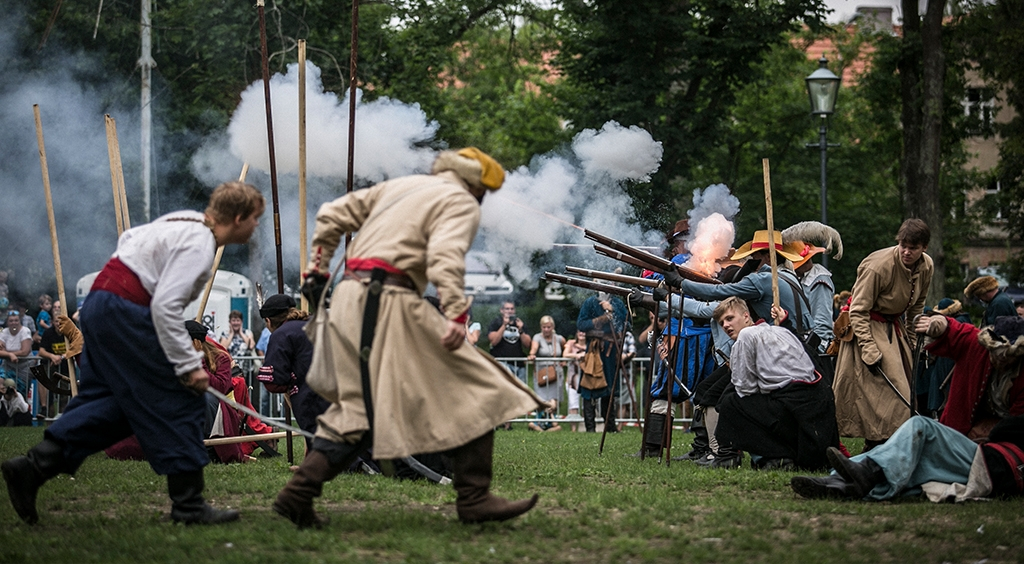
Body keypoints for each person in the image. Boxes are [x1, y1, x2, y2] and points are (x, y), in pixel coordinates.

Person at [273, 148, 546, 528]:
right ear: (476, 185)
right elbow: (445, 255)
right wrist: (455, 312)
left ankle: (297, 493)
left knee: (357, 406)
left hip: (351, 298)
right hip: (389, 301)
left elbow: (330, 215)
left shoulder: (399, 186)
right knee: (478, 386)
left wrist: (316, 272)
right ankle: (474, 498)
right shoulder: (460, 201)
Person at [1, 180, 265, 526]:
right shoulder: (201, 246)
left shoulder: (182, 221)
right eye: (255, 219)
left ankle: (33, 468)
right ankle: (189, 505)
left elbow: (129, 241)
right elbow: (166, 308)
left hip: (99, 304)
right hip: (127, 310)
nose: (256, 226)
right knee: (183, 398)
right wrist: (189, 367)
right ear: (239, 217)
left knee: (109, 403)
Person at [832, 219, 933, 450]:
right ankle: (876, 445)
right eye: (903, 246)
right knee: (883, 395)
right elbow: (858, 309)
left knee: (903, 394)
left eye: (913, 248)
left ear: (924, 248)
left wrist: (914, 343)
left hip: (893, 330)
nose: (907, 252)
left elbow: (916, 308)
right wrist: (868, 347)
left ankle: (888, 446)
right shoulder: (878, 265)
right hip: (867, 327)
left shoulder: (927, 266)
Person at [711, 298, 840, 470]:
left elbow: (744, 388)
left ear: (746, 316)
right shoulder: (781, 332)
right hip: (816, 409)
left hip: (794, 407)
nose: (726, 326)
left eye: (729, 318)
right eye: (722, 323)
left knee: (731, 403)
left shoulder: (746, 335)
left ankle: (766, 456)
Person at [791, 415, 1024, 502]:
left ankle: (857, 474)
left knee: (921, 426)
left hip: (996, 464)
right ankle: (839, 484)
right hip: (997, 468)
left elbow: (1002, 430)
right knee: (909, 468)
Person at [663, 230, 813, 338]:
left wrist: (680, 283)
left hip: (782, 344)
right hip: (799, 341)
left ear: (768, 257)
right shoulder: (789, 276)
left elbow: (719, 291)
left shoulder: (762, 280)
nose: (751, 263)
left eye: (755, 258)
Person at [915, 312, 1024, 439]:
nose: (1001, 358)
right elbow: (955, 333)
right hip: (954, 434)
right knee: (916, 425)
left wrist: (990, 429)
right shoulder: (977, 345)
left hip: (999, 446)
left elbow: (1017, 426)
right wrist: (941, 324)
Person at [256, 294, 330, 443]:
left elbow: (274, 380)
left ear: (268, 321)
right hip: (341, 387)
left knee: (319, 438)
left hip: (310, 394)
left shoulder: (281, 334)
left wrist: (289, 383)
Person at [576, 292, 629, 433]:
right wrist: (602, 319)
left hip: (611, 352)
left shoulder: (617, 303)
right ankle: (590, 429)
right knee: (589, 386)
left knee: (610, 389)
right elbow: (581, 324)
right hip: (594, 349)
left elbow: (627, 325)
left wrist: (612, 311)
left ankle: (610, 427)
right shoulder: (590, 302)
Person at [487, 301, 532, 384]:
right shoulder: (496, 322)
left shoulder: (519, 323)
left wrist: (521, 330)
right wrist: (504, 325)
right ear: (502, 310)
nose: (509, 311)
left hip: (518, 363)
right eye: (507, 309)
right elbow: (494, 342)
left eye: (512, 309)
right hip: (502, 362)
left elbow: (528, 344)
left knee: (521, 391)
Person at [527, 315, 566, 410]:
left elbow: (566, 348)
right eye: (544, 327)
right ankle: (548, 422)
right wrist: (532, 354)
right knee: (543, 401)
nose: (546, 329)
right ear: (541, 327)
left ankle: (550, 423)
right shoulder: (537, 337)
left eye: (548, 327)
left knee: (554, 400)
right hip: (542, 373)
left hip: (556, 372)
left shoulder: (559, 338)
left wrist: (564, 360)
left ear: (553, 327)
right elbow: (534, 349)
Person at [0, 310, 33, 394]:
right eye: (11, 321)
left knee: (20, 393)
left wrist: (6, 353)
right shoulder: (3, 332)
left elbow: (25, 351)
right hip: (8, 366)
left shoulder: (25, 331)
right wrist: (10, 354)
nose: (13, 323)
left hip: (24, 367)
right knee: (5, 388)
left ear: (19, 321)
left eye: (16, 320)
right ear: (7, 322)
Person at [563, 329, 587, 432]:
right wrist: (576, 355)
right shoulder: (571, 343)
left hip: (587, 379)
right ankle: (573, 430)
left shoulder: (590, 345)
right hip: (572, 379)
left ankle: (584, 428)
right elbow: (565, 354)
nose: (581, 334)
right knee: (573, 404)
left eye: (584, 332)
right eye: (580, 331)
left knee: (585, 405)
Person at [219, 310, 255, 375]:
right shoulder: (225, 334)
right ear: (230, 322)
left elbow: (251, 346)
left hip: (245, 368)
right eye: (233, 320)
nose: (236, 323)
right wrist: (231, 334)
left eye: (238, 320)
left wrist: (241, 333)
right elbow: (223, 348)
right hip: (230, 367)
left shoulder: (248, 333)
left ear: (241, 322)